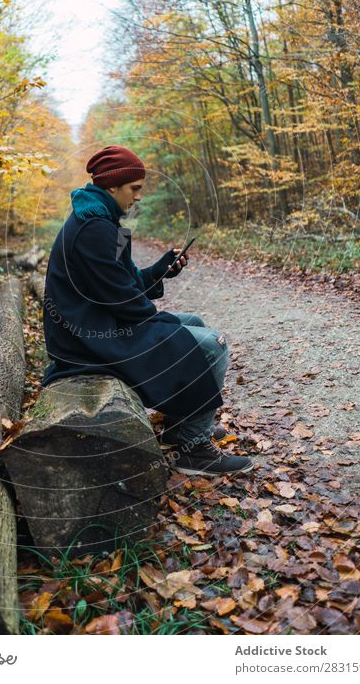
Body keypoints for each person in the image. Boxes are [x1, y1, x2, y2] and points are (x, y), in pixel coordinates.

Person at [41, 145, 253, 476]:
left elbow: (128, 281)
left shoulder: (107, 223)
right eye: (134, 189)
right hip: (89, 338)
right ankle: (194, 451)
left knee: (193, 324)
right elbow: (123, 300)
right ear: (112, 187)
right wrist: (165, 324)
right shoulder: (92, 229)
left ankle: (182, 429)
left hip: (105, 323)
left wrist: (160, 269)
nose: (138, 197)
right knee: (210, 344)